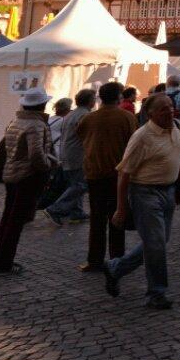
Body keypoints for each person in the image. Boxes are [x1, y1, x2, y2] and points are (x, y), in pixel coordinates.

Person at [104, 92, 180, 309]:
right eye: (163, 108)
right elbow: (124, 174)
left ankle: (116, 268)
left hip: (168, 192)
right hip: (145, 194)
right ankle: (157, 293)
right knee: (156, 244)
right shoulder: (142, 137)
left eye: (170, 106)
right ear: (150, 113)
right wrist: (121, 208)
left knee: (157, 242)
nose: (169, 110)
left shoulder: (175, 126)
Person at [0, 87, 55, 275]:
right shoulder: (36, 125)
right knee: (15, 221)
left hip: (12, 173)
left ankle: (1, 261)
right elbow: (36, 154)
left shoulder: (16, 120)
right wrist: (47, 166)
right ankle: (4, 264)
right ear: (42, 105)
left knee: (8, 218)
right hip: (27, 176)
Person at [77, 82, 138, 274]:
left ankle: (94, 260)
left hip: (94, 173)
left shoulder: (89, 118)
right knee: (117, 216)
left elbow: (81, 138)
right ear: (119, 97)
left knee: (97, 218)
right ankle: (117, 258)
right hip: (118, 174)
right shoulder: (127, 117)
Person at [44, 88, 95, 226]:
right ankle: (56, 209)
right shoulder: (84, 115)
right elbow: (87, 136)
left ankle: (76, 212)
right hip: (77, 154)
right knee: (81, 184)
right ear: (90, 101)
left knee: (75, 183)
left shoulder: (72, 114)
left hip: (67, 152)